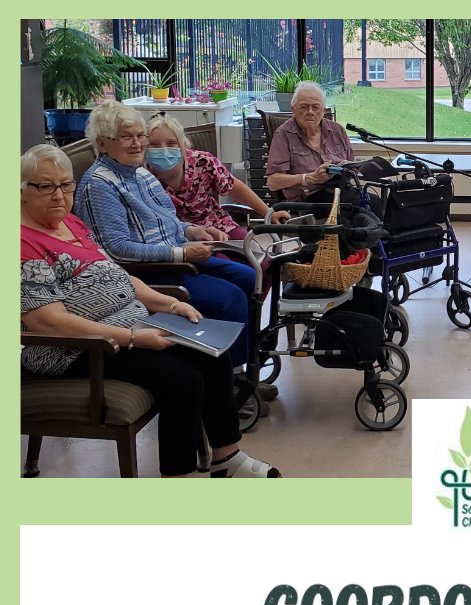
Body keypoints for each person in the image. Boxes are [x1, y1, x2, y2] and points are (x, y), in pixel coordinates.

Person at [20, 145, 280, 478]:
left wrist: (168, 303)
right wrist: (133, 337)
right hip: (76, 348)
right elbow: (47, 322)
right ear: (22, 190)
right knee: (181, 379)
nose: (59, 195)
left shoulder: (70, 223)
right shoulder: (21, 241)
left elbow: (121, 276)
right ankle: (177, 476)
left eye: (66, 185)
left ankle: (227, 458)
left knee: (212, 356)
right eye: (45, 186)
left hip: (129, 324)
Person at [73, 100, 257, 375]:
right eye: (126, 137)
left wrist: (191, 231)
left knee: (250, 276)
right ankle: (228, 379)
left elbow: (167, 220)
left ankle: (242, 370)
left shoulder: (140, 174)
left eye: (139, 136)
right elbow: (117, 249)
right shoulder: (101, 185)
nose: (137, 144)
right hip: (150, 272)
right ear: (102, 143)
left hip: (176, 258)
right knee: (229, 298)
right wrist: (183, 253)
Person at [145, 112, 290, 240]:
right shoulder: (142, 175)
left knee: (259, 260)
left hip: (218, 222)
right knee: (233, 267)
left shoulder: (202, 162)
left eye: (171, 143)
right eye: (154, 145)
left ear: (183, 145)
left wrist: (268, 213)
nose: (163, 150)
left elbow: (234, 187)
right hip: (181, 235)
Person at [266, 80, 355, 203]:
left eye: (315, 107)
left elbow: (352, 167)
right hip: (308, 199)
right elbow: (273, 182)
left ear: (323, 111)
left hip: (341, 192)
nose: (310, 112)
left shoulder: (337, 131)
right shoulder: (283, 134)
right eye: (304, 107)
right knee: (358, 207)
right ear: (293, 109)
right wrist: (309, 178)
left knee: (375, 200)